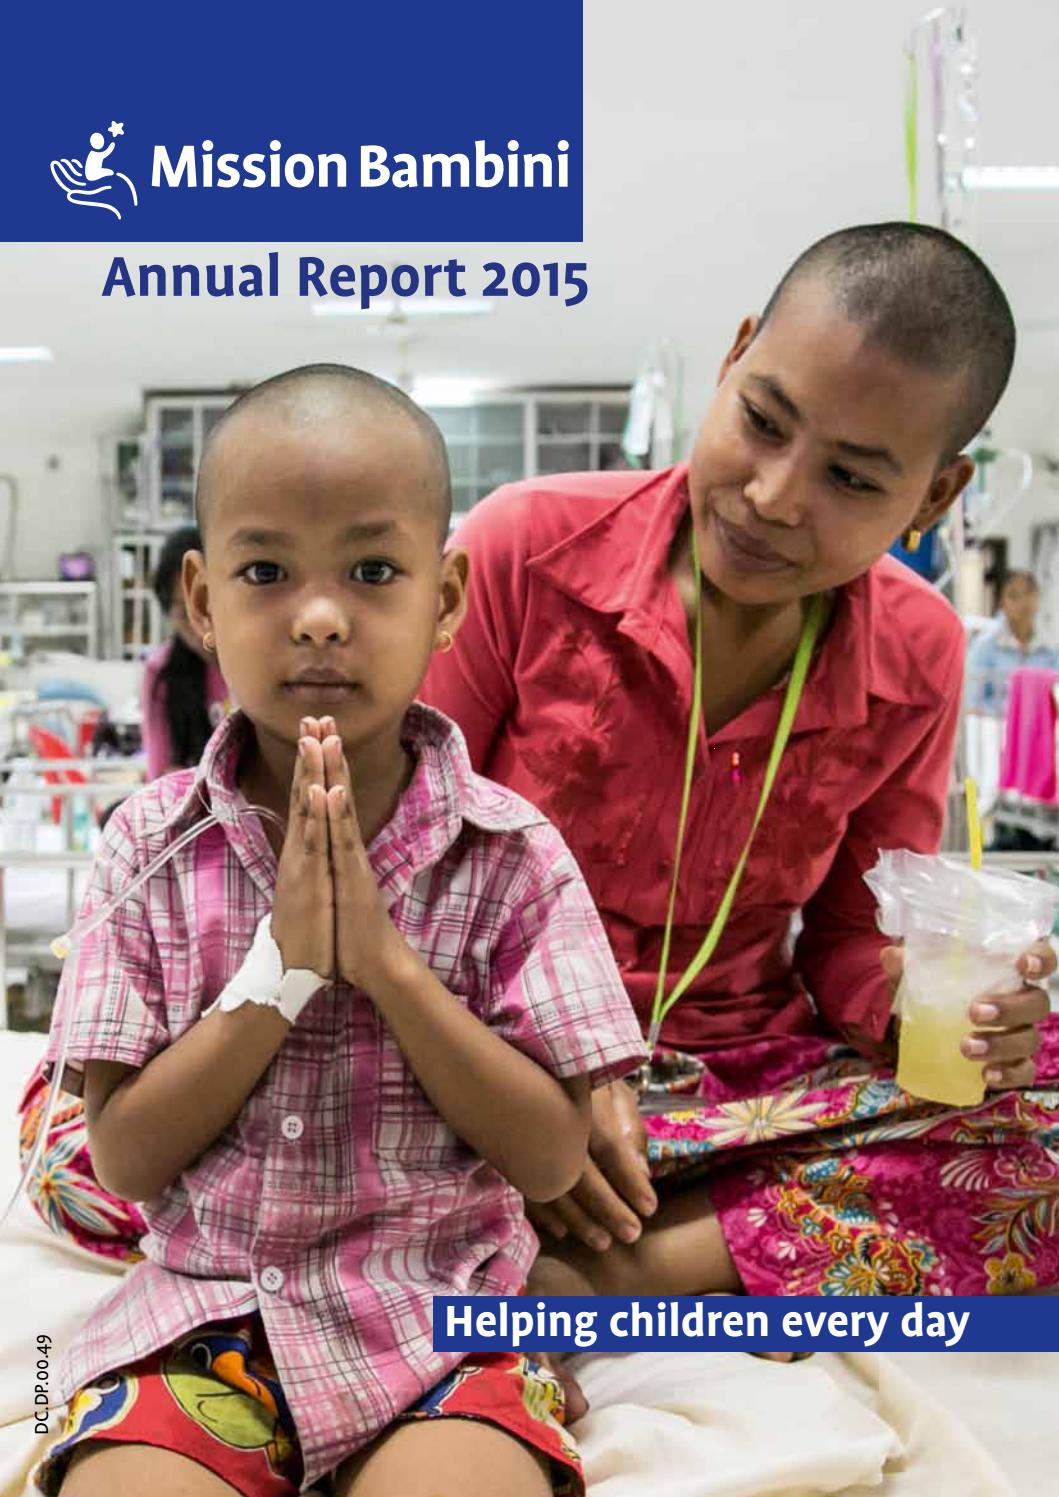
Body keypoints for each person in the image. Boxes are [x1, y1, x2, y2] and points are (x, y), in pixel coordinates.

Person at [421, 223, 1059, 1333]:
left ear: (934, 497)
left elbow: (850, 939)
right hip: (493, 1062)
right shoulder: (525, 549)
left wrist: (928, 1005)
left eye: (851, 477)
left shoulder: (918, 652)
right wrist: (553, 1076)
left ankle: (609, 1273)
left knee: (1034, 1109)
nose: (772, 496)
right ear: (733, 356)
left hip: (735, 1083)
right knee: (164, 1127)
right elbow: (398, 870)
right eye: (762, 420)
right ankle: (711, 1244)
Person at [32, 365, 645, 1497]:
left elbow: (553, 1155)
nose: (319, 616)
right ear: (203, 601)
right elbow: (123, 1157)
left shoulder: (511, 854)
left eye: (372, 571)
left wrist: (384, 963)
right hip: (204, 1319)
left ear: (446, 598)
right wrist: (283, 971)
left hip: (444, 1323)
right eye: (266, 572)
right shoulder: (149, 847)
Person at [142, 525, 232, 778]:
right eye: (184, 614)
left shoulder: (259, 659)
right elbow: (161, 774)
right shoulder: (162, 671)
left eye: (208, 608)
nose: (202, 628)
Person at [966, 569, 1058, 714]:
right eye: (1013, 596)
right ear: (1002, 604)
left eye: (1028, 593)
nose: (1022, 602)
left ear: (1037, 598)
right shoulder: (985, 646)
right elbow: (972, 701)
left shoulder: (1051, 648)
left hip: (1041, 724)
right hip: (996, 724)